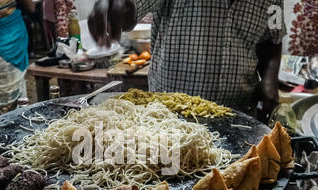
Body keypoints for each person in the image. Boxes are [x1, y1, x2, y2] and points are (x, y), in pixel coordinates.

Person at [88, 0, 286, 123]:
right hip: (169, 118)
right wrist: (119, 6)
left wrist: (270, 80)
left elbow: (271, 39)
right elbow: (131, 6)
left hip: (239, 116)